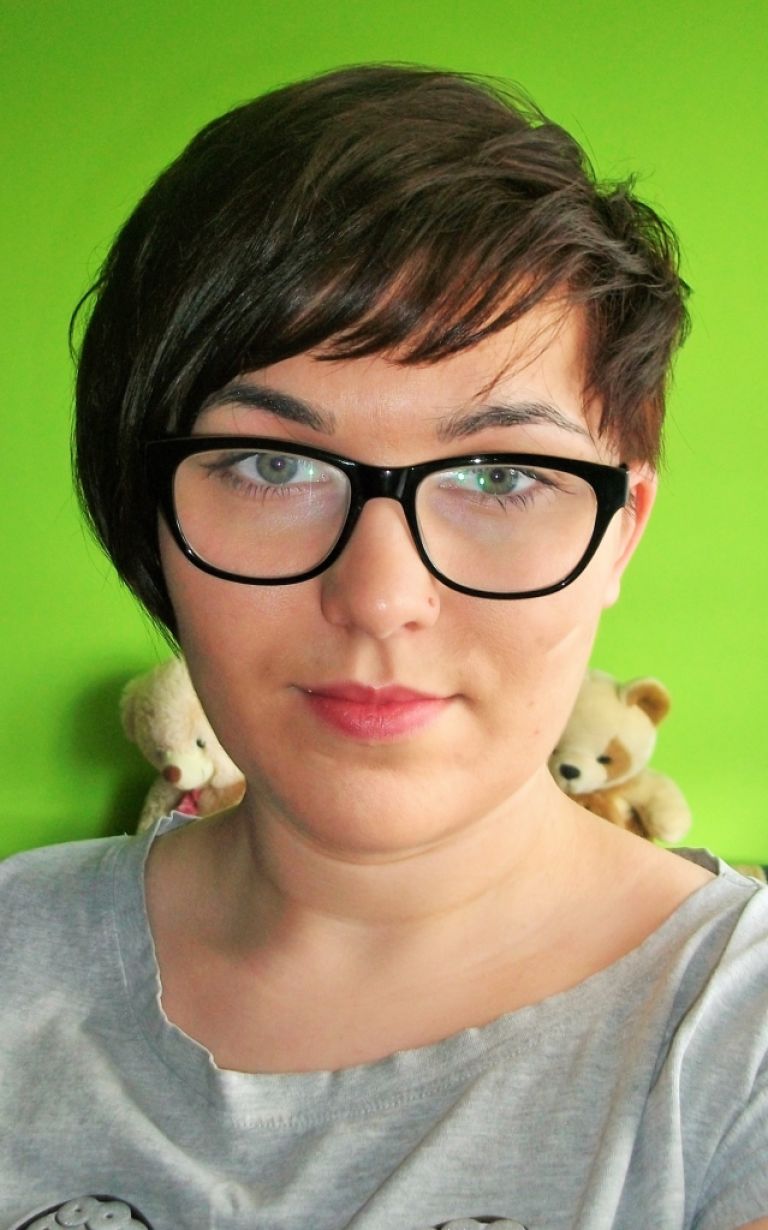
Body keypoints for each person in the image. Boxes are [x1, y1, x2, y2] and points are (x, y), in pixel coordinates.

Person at [1, 64, 766, 1230]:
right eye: (272, 465)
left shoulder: (734, 1050)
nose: (380, 597)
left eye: (500, 475)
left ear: (622, 531)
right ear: (147, 515)